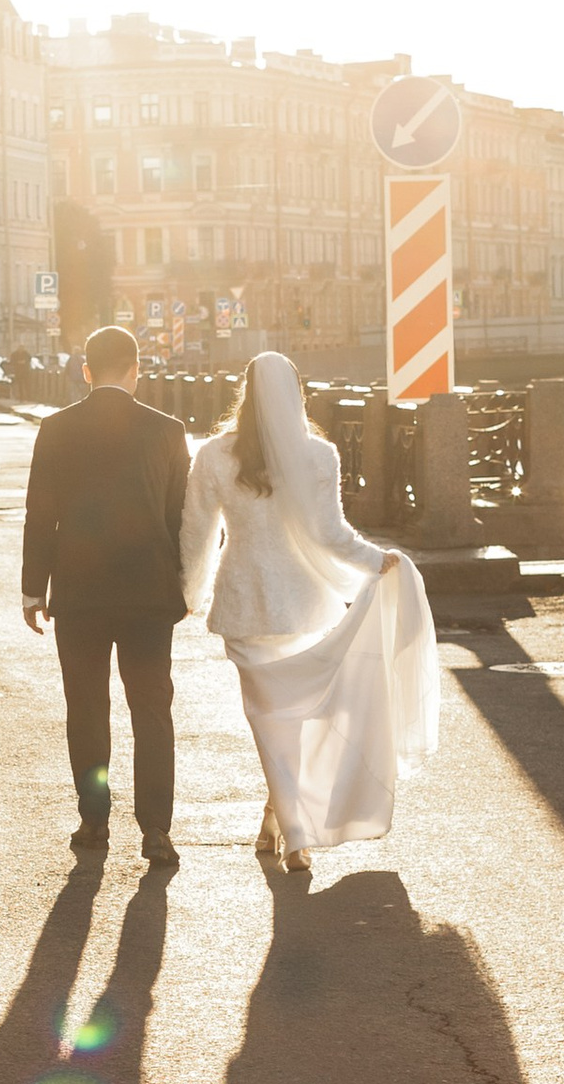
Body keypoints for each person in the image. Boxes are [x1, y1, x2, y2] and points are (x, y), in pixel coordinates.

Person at [180, 350, 439, 872]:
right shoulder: (319, 455)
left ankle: (289, 825)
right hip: (305, 603)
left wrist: (191, 594)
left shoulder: (213, 454)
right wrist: (377, 561)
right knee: (298, 717)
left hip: (245, 601)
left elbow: (197, 532)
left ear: (245, 394)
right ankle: (284, 821)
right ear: (297, 393)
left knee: (266, 718)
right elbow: (329, 535)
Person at [20, 323, 192, 867]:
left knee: (88, 708)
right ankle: (156, 832)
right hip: (148, 596)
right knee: (152, 710)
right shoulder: (168, 431)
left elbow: (39, 516)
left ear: (86, 372)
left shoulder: (56, 428)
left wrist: (33, 590)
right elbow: (180, 518)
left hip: (80, 594)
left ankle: (94, 823)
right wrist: (185, 587)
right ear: (137, 369)